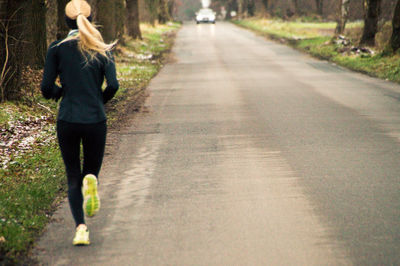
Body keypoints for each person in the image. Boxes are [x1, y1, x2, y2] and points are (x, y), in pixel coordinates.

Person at [41, 0, 119, 246]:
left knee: (72, 175)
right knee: (89, 173)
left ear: (65, 22)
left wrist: (59, 93)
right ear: (91, 18)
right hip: (95, 118)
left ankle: (81, 228)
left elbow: (45, 88)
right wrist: (100, 100)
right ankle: (92, 182)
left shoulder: (57, 48)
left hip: (68, 119)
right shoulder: (101, 48)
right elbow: (114, 85)